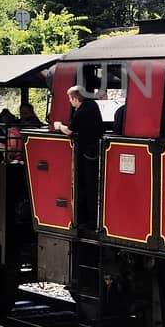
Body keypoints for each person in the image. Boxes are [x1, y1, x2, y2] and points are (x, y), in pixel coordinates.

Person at [54, 86, 104, 228]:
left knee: (87, 185)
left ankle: (89, 220)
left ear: (75, 98)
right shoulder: (92, 105)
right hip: (95, 150)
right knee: (91, 185)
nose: (70, 102)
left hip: (87, 152)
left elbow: (69, 131)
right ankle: (91, 218)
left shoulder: (81, 112)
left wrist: (59, 126)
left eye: (70, 99)